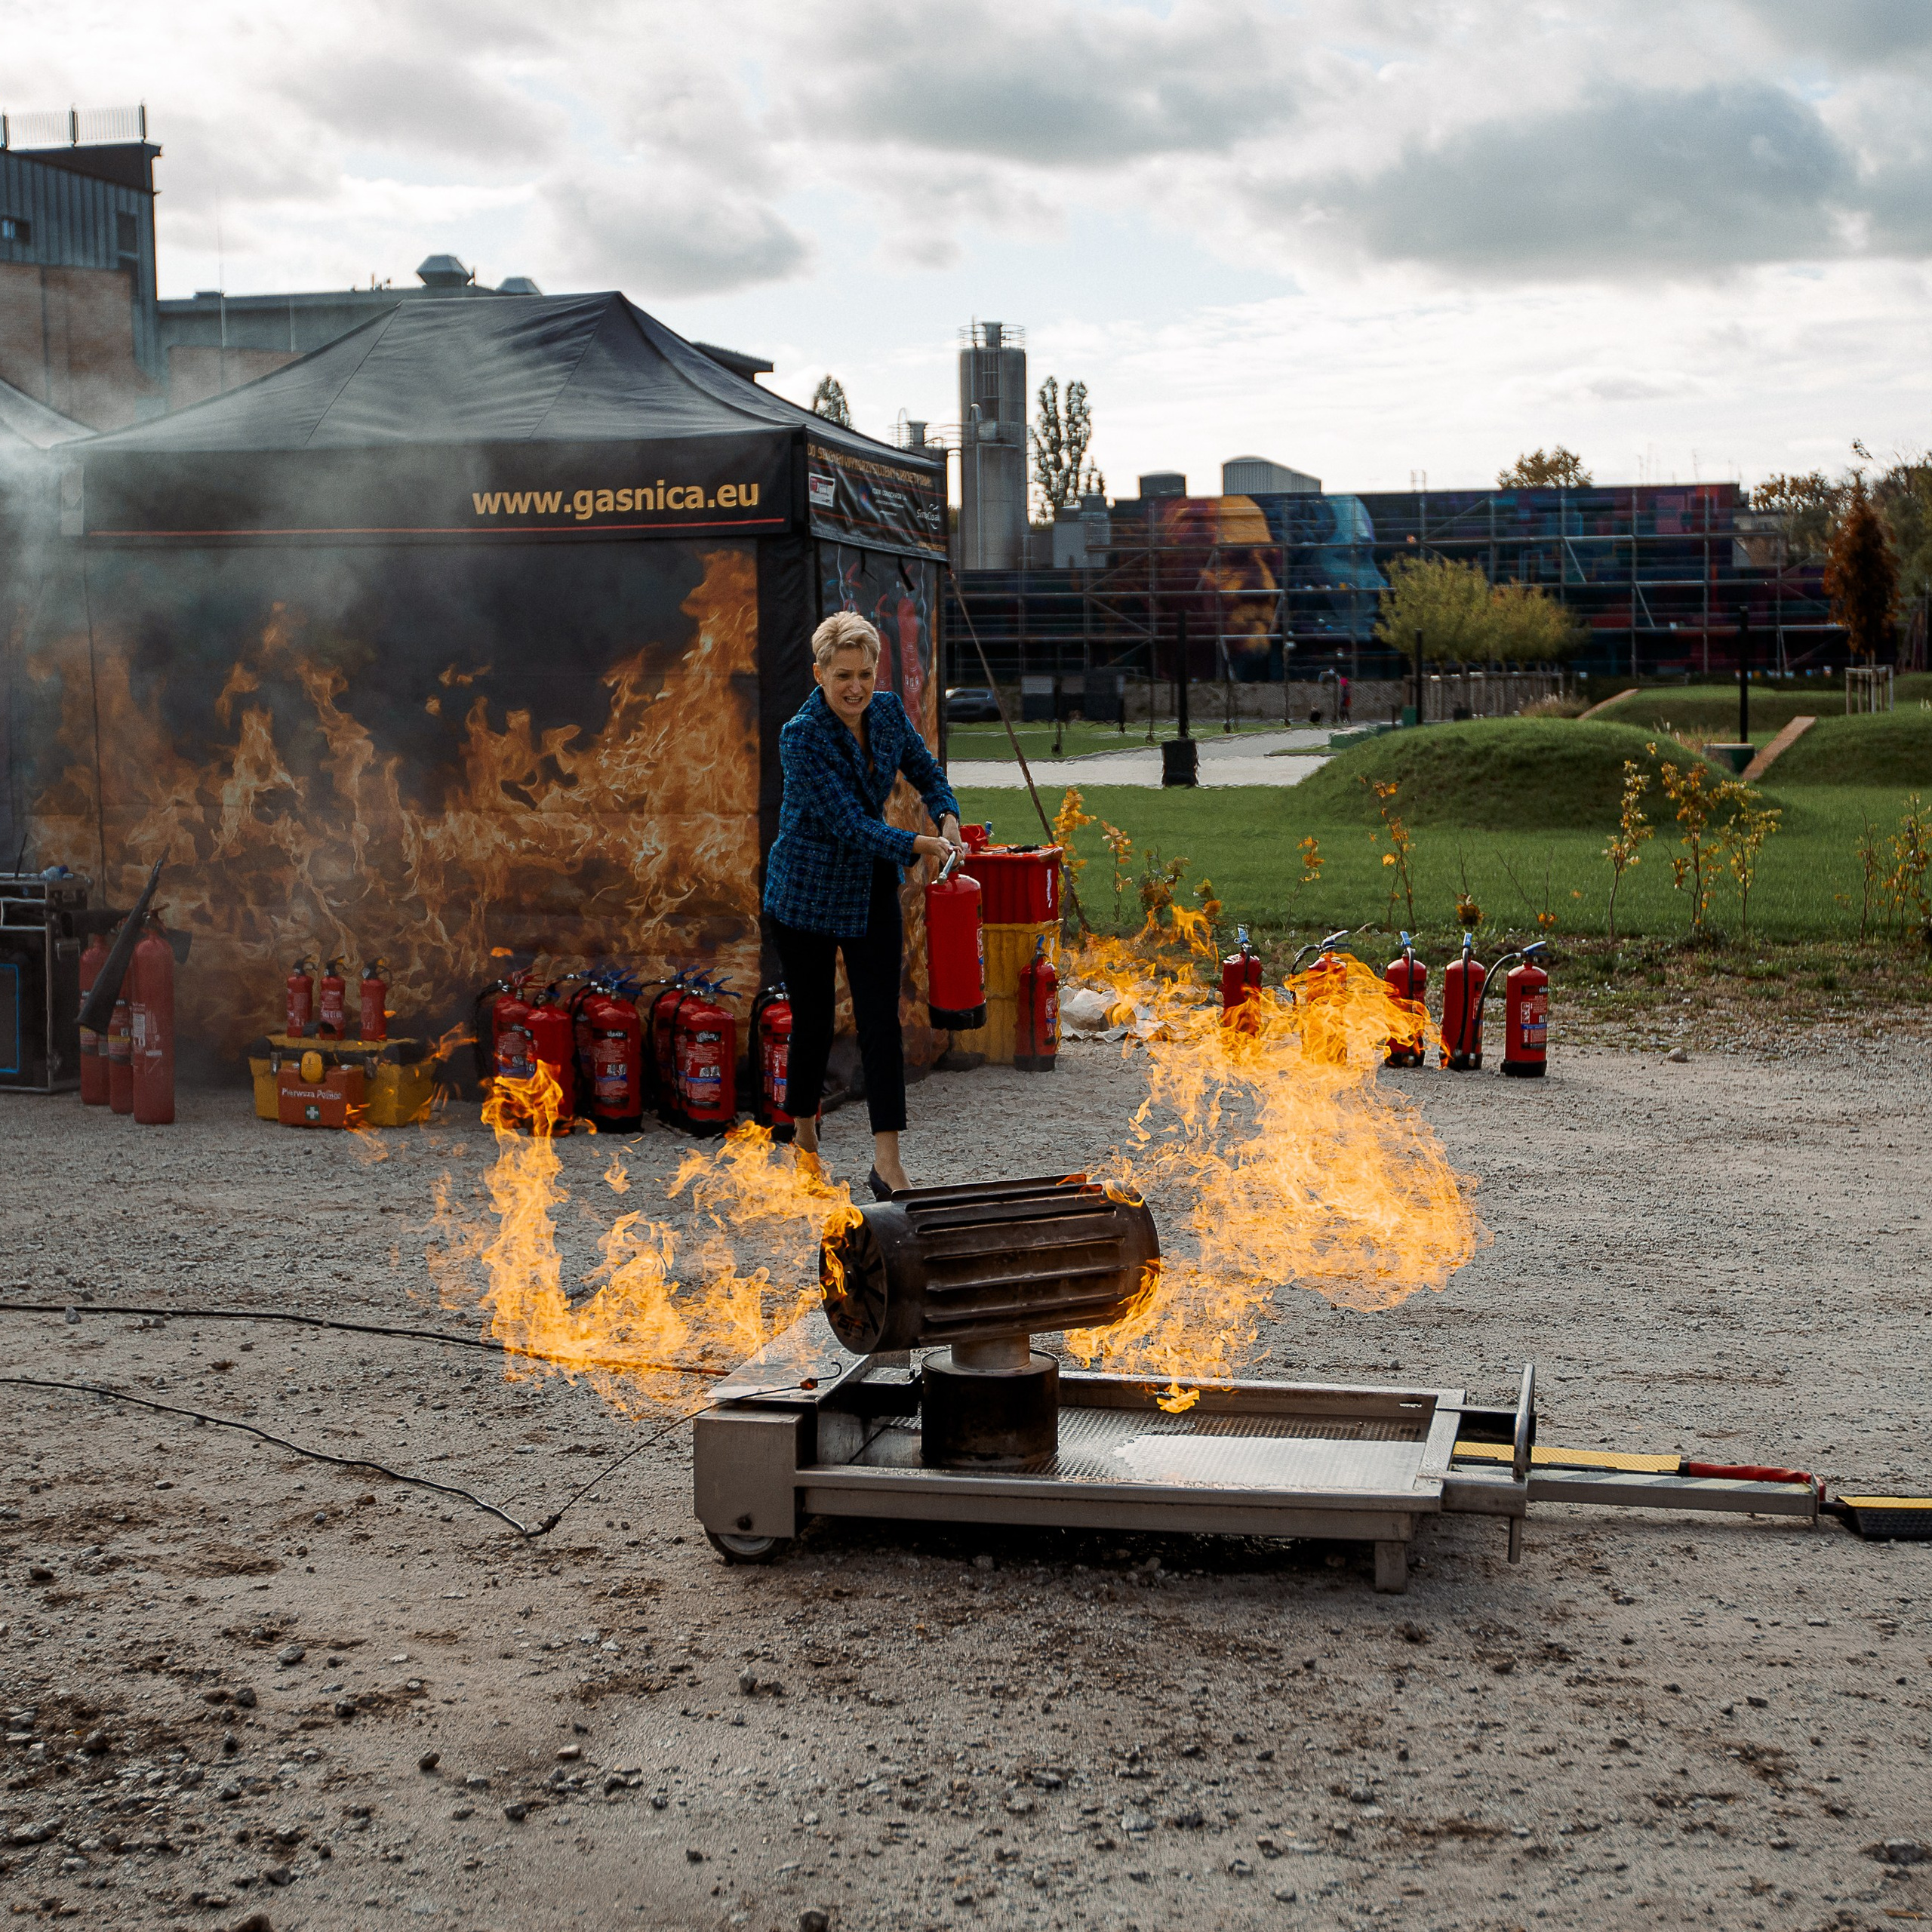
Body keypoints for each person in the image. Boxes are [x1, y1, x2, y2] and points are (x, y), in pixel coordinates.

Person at [764, 611, 964, 1198]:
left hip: (869, 885)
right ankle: (803, 1136)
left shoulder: (885, 712)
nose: (856, 687)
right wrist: (918, 843)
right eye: (843, 674)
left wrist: (946, 811)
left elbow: (925, 769)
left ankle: (887, 1161)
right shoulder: (800, 736)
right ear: (819, 672)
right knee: (817, 1022)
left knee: (882, 1020)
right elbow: (848, 824)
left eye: (866, 674)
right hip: (804, 893)